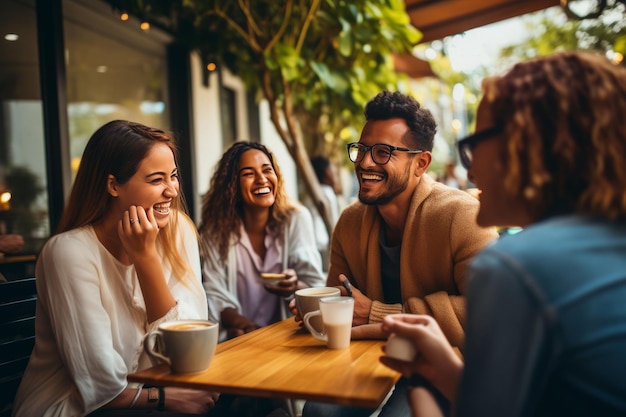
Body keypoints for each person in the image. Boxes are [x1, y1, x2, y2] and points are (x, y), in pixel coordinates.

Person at [380, 51, 626, 417]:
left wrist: (419, 391)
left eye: (476, 142)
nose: (472, 168)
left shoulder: (514, 267)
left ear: (526, 144)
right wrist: (446, 370)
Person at [297, 91, 498, 417]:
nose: (364, 162)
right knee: (319, 411)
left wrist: (378, 314)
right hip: (368, 359)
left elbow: (488, 312)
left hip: (444, 366)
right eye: (361, 150)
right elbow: (340, 300)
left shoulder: (463, 215)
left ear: (421, 163)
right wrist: (319, 308)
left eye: (382, 152)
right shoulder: (349, 221)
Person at [12, 120, 219, 417]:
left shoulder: (178, 230)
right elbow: (101, 386)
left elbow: (187, 352)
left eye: (173, 176)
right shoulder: (68, 253)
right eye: (156, 180)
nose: (172, 191)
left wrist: (145, 259)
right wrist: (161, 398)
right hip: (72, 408)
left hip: (152, 394)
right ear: (113, 185)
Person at [199, 141, 325, 341]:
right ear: (231, 184)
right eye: (248, 174)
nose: (261, 179)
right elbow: (214, 294)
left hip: (291, 340)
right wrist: (246, 327)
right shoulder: (215, 231)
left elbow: (316, 286)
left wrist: (294, 285)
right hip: (240, 341)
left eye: (267, 170)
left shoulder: (296, 219)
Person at [306, 155, 341, 271]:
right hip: (324, 244)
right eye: (332, 169)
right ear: (327, 172)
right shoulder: (327, 193)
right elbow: (334, 221)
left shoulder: (310, 195)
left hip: (312, 243)